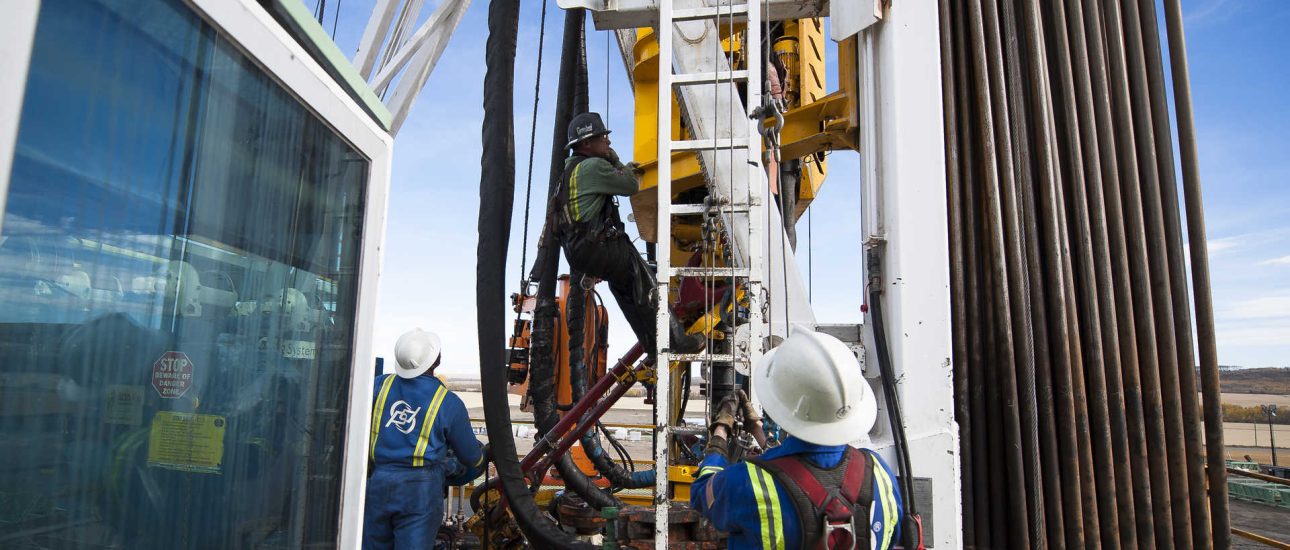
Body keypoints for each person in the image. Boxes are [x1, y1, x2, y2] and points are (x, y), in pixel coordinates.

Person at [691, 330, 903, 550]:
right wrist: (759, 433)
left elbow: (702, 494)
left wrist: (721, 431)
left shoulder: (747, 482)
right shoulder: (879, 472)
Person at [554, 111, 702, 356]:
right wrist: (616, 161)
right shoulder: (594, 166)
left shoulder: (569, 172)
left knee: (625, 288)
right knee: (645, 281)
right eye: (603, 137)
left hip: (577, 251)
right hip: (597, 246)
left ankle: (653, 347)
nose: (608, 142)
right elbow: (630, 185)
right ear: (587, 143)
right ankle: (675, 341)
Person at [364, 329, 486, 550]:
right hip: (419, 491)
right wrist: (479, 458)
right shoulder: (447, 402)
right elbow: (471, 456)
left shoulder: (379, 386)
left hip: (377, 483)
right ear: (435, 361)